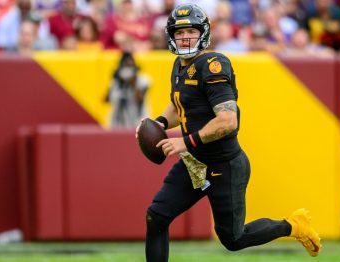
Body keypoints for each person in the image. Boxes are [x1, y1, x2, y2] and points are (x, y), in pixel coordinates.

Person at [135, 4, 321, 261]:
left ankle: (293, 225)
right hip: (195, 163)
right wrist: (158, 124)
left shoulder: (214, 65)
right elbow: (181, 105)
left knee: (233, 239)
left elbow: (227, 120)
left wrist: (184, 142)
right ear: (171, 36)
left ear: (204, 34)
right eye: (179, 32)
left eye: (191, 31)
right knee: (156, 215)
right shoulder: (179, 64)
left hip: (224, 165)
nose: (185, 37)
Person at [106, 52, 149, 128]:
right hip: (118, 122)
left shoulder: (143, 80)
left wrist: (133, 82)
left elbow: (140, 99)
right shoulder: (116, 82)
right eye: (125, 66)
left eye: (129, 66)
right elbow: (107, 99)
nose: (127, 71)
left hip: (138, 120)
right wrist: (118, 81)